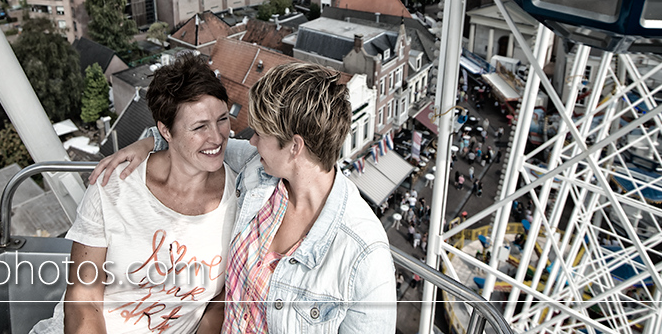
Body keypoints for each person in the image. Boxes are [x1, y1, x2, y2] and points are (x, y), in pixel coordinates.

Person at [92, 62, 396, 333]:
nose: (250, 140)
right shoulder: (261, 171)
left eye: (261, 133)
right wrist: (148, 142)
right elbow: (191, 142)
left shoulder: (364, 256)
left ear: (294, 147)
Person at [34, 53, 237, 334]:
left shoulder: (241, 197)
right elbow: (84, 297)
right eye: (200, 127)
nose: (217, 137)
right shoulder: (113, 186)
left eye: (223, 119)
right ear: (165, 130)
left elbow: (218, 299)